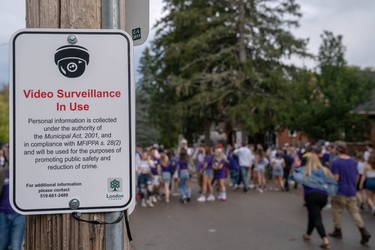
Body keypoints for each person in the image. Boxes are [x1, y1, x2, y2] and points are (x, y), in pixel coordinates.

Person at [329, 141, 371, 245]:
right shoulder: (353, 161)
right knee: (355, 212)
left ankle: (337, 230)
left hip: (340, 190)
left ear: (337, 149)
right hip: (351, 190)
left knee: (337, 211)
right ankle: (363, 231)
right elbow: (356, 176)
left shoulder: (336, 161)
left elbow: (336, 177)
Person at [297, 154, 335, 249]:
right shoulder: (325, 170)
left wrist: (304, 199)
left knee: (316, 217)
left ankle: (324, 239)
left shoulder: (306, 171)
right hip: (323, 196)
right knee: (313, 215)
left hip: (311, 195)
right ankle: (307, 234)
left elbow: (302, 186)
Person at [0, 162, 25, 250]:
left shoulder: (24, 173)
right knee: (2, 245)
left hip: (19, 215)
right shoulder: (3, 172)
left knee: (16, 246)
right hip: (2, 213)